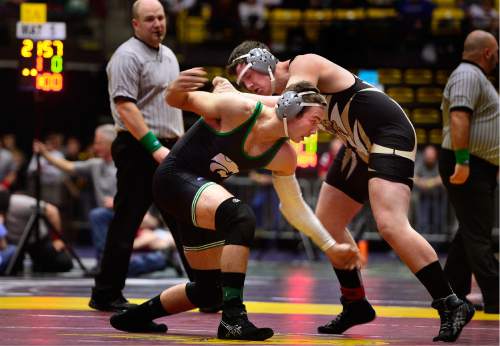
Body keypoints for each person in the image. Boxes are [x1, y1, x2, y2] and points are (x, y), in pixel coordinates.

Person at [221, 40, 475, 342]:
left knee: (391, 224)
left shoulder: (305, 63)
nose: (249, 85)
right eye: (242, 83)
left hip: (387, 131)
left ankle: (450, 303)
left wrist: (234, 101)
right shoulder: (276, 93)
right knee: (327, 220)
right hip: (356, 142)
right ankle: (355, 302)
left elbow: (296, 100)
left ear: (265, 60)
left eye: (249, 75)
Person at [109, 70, 361, 341]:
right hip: (173, 180)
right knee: (240, 217)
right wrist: (174, 87)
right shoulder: (239, 109)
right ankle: (233, 319)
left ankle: (135, 317)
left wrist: (329, 247)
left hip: (199, 196)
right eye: (313, 121)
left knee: (209, 291)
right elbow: (179, 100)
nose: (315, 131)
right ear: (290, 110)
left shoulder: (284, 156)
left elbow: (293, 206)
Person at [89, 0, 189, 312]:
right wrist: (154, 147)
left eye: (160, 17)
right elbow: (125, 107)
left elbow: (171, 107)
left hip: (169, 146)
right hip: (139, 147)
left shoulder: (169, 55)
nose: (158, 24)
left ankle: (206, 287)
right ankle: (105, 292)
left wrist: (183, 144)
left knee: (185, 219)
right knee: (127, 220)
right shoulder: (126, 56)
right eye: (150, 19)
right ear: (135, 24)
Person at [439, 30, 499, 314]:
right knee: (478, 234)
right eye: (496, 53)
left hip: (477, 164)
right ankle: (496, 296)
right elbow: (459, 116)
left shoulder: (474, 77)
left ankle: (450, 290)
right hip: (467, 162)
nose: (497, 59)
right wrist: (463, 162)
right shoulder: (467, 75)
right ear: (487, 52)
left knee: (470, 231)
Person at [33, 125, 117, 268]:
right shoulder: (95, 164)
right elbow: (68, 166)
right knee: (98, 214)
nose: (95, 147)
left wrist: (117, 201)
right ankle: (106, 263)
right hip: (107, 213)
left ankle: (105, 264)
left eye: (98, 143)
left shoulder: (123, 165)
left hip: (126, 210)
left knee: (97, 215)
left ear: (111, 143)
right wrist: (46, 154)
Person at [414, 144, 445, 235]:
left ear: (435, 156)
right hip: (422, 196)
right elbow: (414, 176)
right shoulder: (420, 163)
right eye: (428, 157)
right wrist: (421, 183)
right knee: (423, 220)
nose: (430, 159)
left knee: (437, 220)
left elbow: (443, 177)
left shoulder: (439, 163)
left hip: (438, 196)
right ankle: (423, 235)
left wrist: (430, 183)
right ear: (424, 156)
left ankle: (438, 240)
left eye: (431, 157)